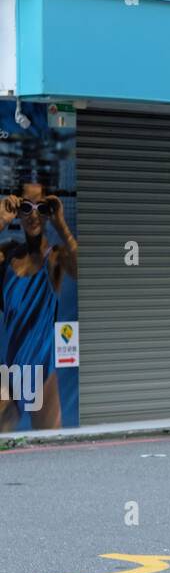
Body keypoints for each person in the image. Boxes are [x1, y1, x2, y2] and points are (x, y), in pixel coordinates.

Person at [0, 181, 78, 431]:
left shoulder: (55, 256)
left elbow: (81, 271)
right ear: (17, 210)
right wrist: (0, 222)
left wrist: (61, 224)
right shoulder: (7, 254)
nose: (34, 215)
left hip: (44, 369)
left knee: (50, 450)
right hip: (10, 370)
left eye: (41, 208)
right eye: (26, 207)